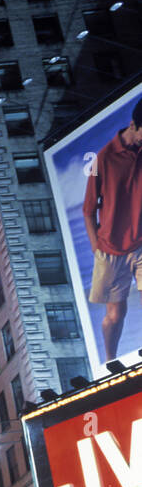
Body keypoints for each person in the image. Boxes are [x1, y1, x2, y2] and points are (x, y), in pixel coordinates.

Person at [83, 96, 142, 363]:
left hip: (140, 244)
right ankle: (110, 360)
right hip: (110, 250)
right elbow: (88, 209)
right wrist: (97, 247)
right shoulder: (103, 159)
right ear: (133, 125)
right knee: (115, 316)